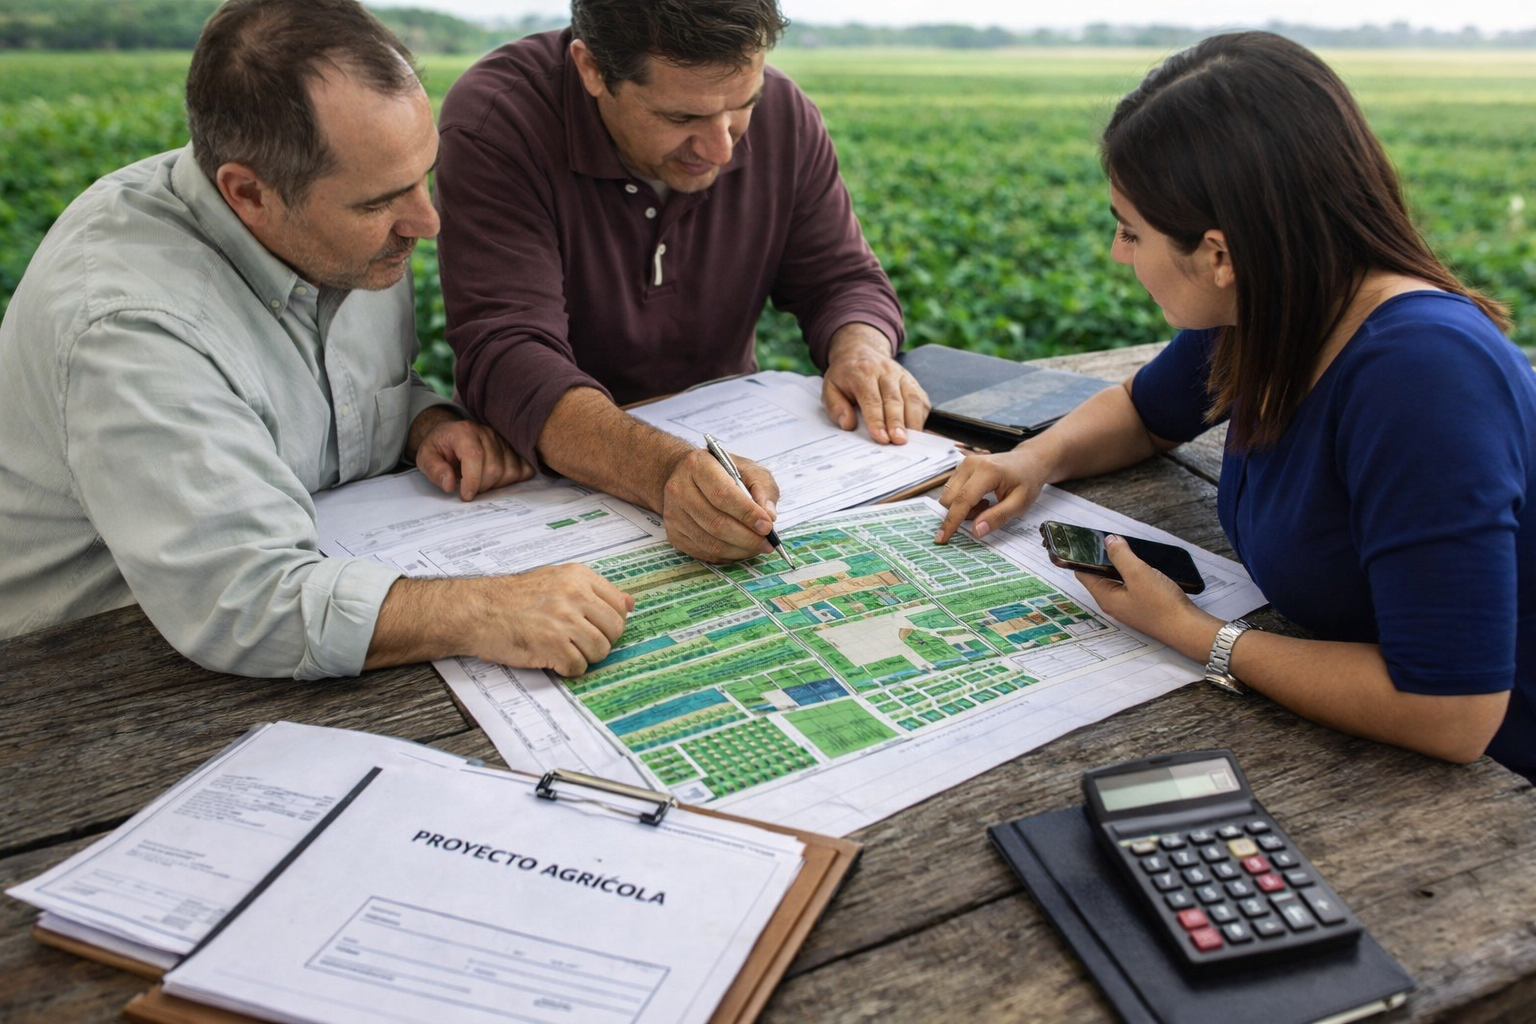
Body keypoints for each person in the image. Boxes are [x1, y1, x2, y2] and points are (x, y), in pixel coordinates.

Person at [934, 32, 1535, 782]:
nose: (1119, 253)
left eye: (1131, 231)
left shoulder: (1422, 380)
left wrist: (1195, 632)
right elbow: (1144, 412)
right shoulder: (1276, 304)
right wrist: (1033, 458)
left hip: (1498, 779)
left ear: (1220, 255)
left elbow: (1451, 711)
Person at [0, 0, 632, 679]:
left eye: (423, 176)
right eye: (379, 202)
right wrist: (485, 610)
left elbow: (320, 398)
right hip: (87, 669)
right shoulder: (129, 327)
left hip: (305, 614)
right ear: (248, 194)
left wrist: (422, 422)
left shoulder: (338, 224)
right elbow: (243, 602)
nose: (425, 222)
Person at [434, 0, 930, 565]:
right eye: (680, 118)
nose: (722, 148)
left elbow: (841, 278)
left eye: (743, 105)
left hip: (731, 446)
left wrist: (861, 349)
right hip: (534, 495)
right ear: (591, 68)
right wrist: (664, 470)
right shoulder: (498, 120)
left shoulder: (787, 114)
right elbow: (508, 352)